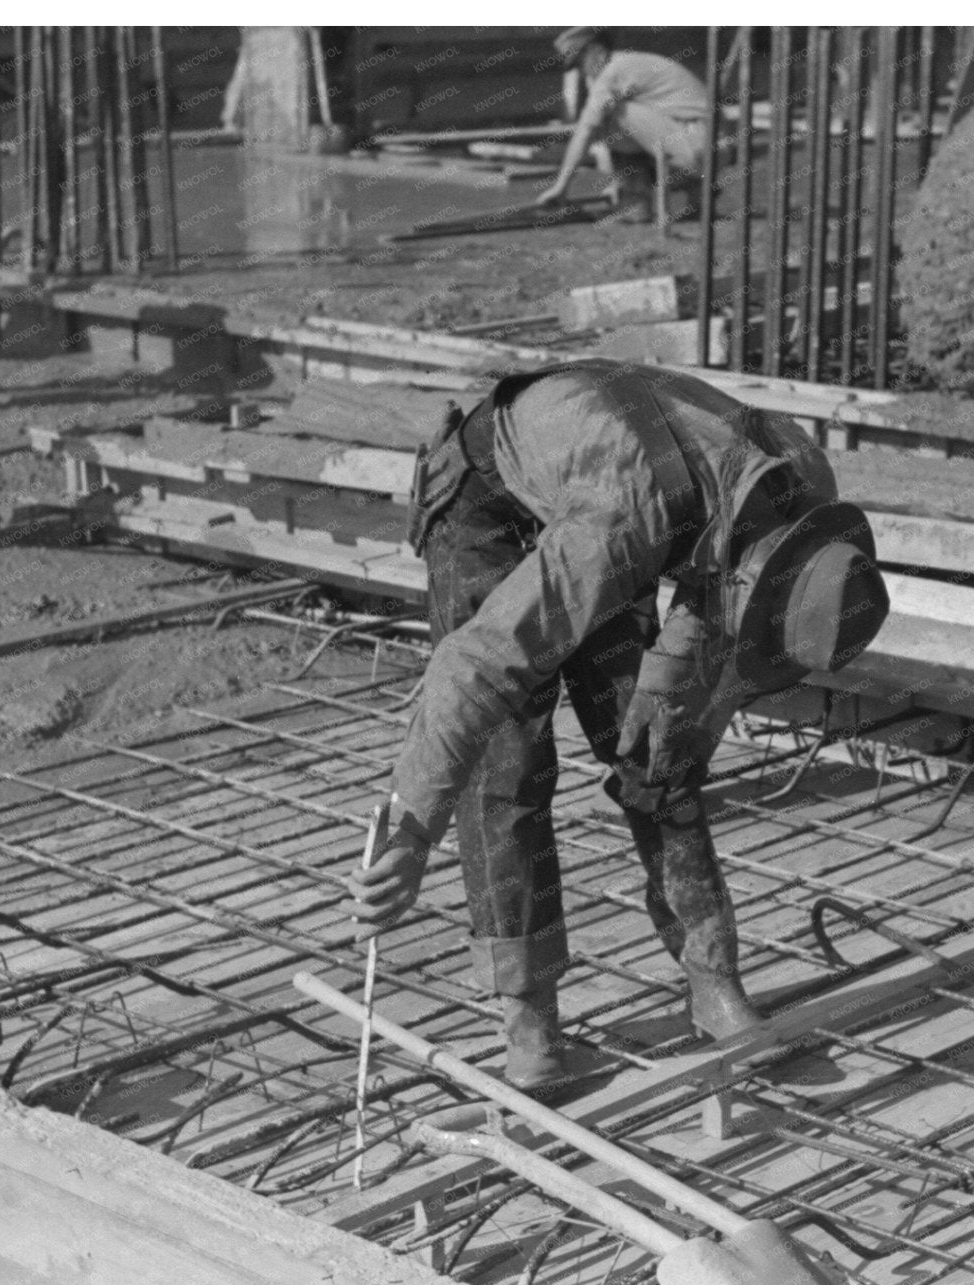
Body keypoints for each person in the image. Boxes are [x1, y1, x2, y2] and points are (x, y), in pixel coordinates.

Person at [348, 360, 891, 1087]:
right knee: (506, 760)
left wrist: (683, 721)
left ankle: (712, 976)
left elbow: (715, 623)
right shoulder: (622, 522)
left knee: (658, 748)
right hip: (492, 504)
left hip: (626, 479)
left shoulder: (798, 485)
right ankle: (530, 1020)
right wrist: (411, 825)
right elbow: (468, 669)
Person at [536, 28, 712, 225]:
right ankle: (698, 197)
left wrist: (560, 188)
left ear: (595, 49)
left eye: (580, 61)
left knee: (607, 121)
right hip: (707, 144)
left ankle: (635, 204)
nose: (582, 69)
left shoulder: (612, 72)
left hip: (697, 146)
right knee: (612, 119)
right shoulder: (625, 63)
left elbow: (585, 132)